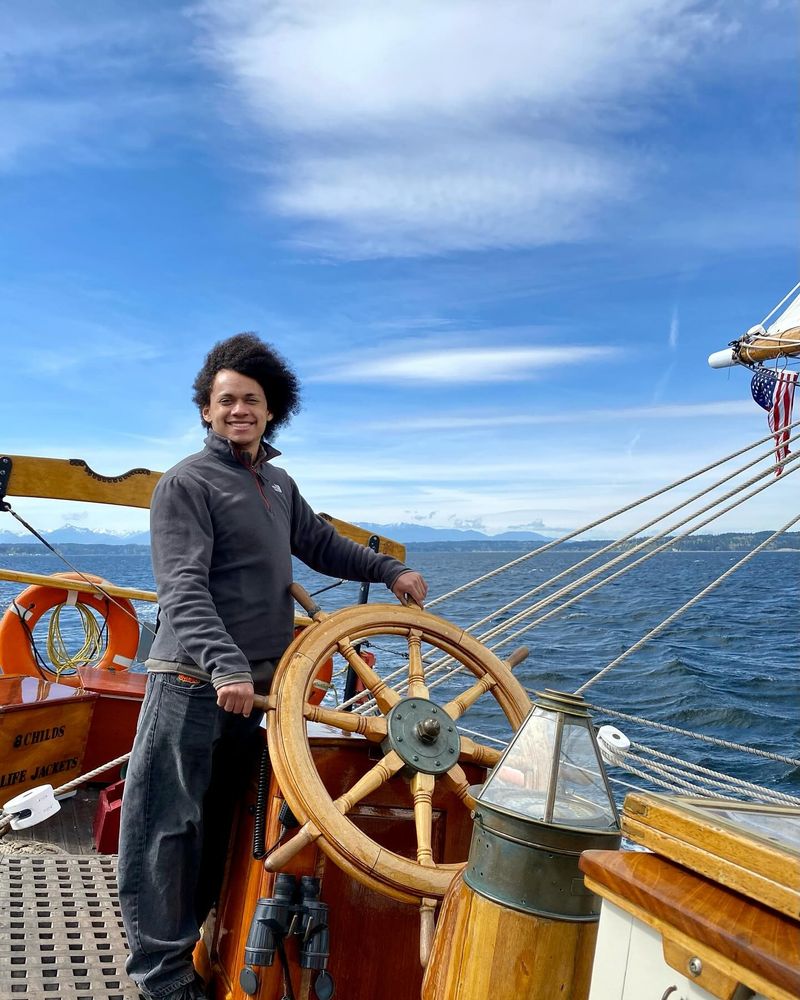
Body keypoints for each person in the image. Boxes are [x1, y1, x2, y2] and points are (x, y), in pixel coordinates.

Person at [118, 333, 427, 1000]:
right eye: (225, 400)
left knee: (225, 824)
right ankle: (160, 980)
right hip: (195, 683)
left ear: (270, 411)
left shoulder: (278, 483)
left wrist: (389, 569)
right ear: (205, 409)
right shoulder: (186, 484)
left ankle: (203, 947)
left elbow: (318, 543)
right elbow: (183, 589)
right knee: (165, 831)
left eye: (251, 401)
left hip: (256, 694)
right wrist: (226, 664)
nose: (239, 410)